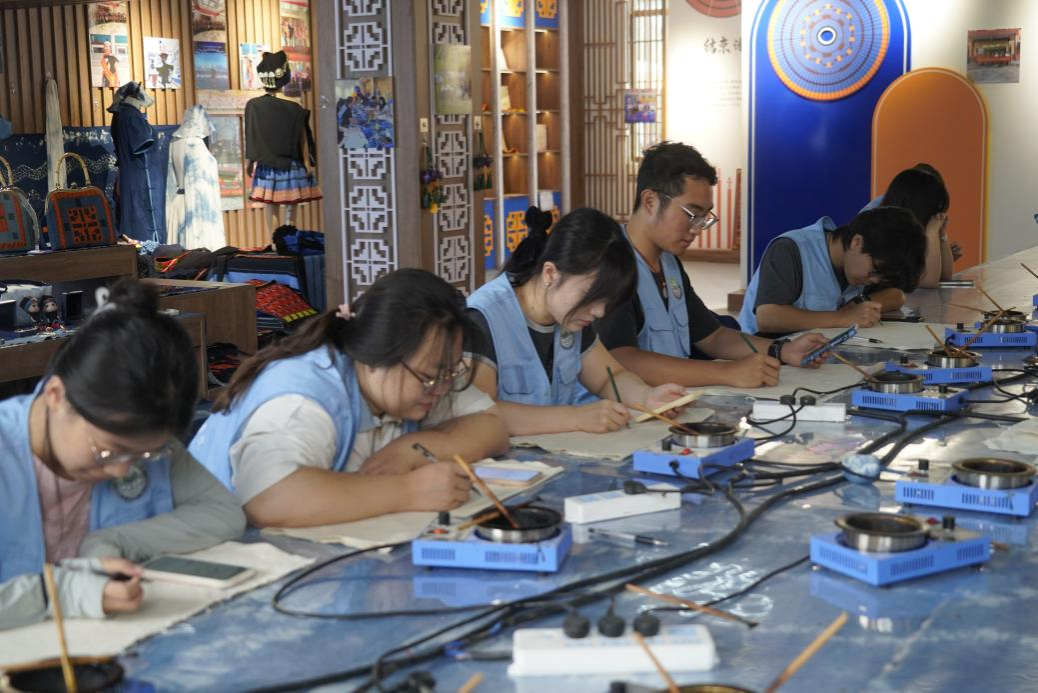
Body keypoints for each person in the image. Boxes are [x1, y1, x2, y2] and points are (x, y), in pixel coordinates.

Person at [0, 280, 246, 630]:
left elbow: (223, 513)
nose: (121, 471)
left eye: (143, 454)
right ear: (56, 397)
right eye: (108, 450)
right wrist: (59, 592)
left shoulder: (141, 437)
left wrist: (114, 540)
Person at [188, 269, 510, 529]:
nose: (440, 388)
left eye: (448, 374)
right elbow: (270, 498)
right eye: (430, 376)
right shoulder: (304, 400)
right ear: (373, 358)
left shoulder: (414, 378)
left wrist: (410, 449)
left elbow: (491, 426)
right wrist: (409, 491)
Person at [595, 141, 831, 389]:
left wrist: (783, 350)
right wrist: (726, 372)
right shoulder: (611, 263)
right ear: (650, 201)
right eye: (691, 214)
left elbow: (712, 336)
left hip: (670, 399)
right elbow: (621, 358)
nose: (697, 229)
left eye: (704, 218)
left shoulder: (668, 263)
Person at [468, 207, 687, 435]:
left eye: (607, 301)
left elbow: (609, 378)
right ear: (550, 273)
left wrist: (647, 396)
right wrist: (574, 417)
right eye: (590, 295)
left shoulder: (569, 317)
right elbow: (480, 412)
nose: (599, 312)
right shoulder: (483, 318)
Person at [739, 206, 927, 335]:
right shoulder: (790, 250)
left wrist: (859, 304)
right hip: (760, 355)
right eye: (875, 270)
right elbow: (768, 317)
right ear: (857, 242)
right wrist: (843, 317)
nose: (876, 280)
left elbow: (896, 295)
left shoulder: (860, 263)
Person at [863, 164, 959, 289]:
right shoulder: (882, 226)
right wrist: (932, 231)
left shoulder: (908, 228)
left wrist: (941, 236)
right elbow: (929, 281)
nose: (935, 217)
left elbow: (945, 278)